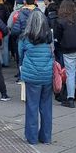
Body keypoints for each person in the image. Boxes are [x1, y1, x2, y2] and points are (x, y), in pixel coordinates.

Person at [19, 10, 54, 145]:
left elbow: (20, 57)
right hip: (47, 75)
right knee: (46, 107)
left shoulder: (25, 38)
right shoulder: (49, 37)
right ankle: (46, 137)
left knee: (32, 107)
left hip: (32, 76)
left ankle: (32, 137)